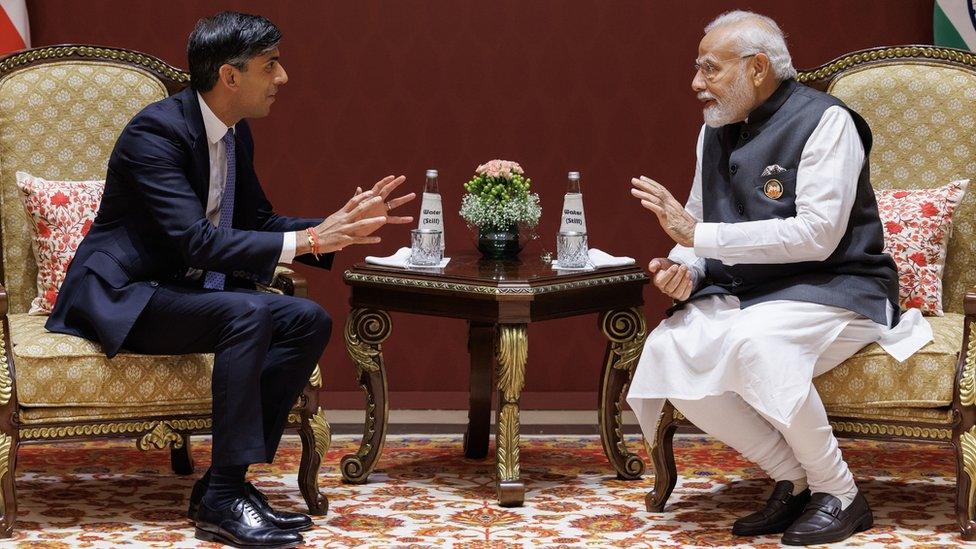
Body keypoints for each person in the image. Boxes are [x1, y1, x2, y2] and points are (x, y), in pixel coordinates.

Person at [46, 11, 415, 549]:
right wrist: (312, 242)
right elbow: (194, 242)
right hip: (123, 294)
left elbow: (255, 223)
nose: (283, 78)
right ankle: (223, 499)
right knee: (250, 311)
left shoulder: (232, 135)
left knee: (307, 319)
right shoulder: (156, 132)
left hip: (178, 292)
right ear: (230, 76)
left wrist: (336, 228)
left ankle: (224, 485)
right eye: (272, 65)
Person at [626, 10, 932, 546]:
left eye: (710, 69)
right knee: (670, 348)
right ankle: (791, 478)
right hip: (755, 292)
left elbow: (818, 235)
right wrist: (686, 269)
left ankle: (840, 493)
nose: (697, 84)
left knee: (755, 344)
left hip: (841, 288)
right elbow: (700, 219)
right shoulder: (715, 129)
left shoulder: (827, 122)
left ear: (759, 67)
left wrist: (700, 239)